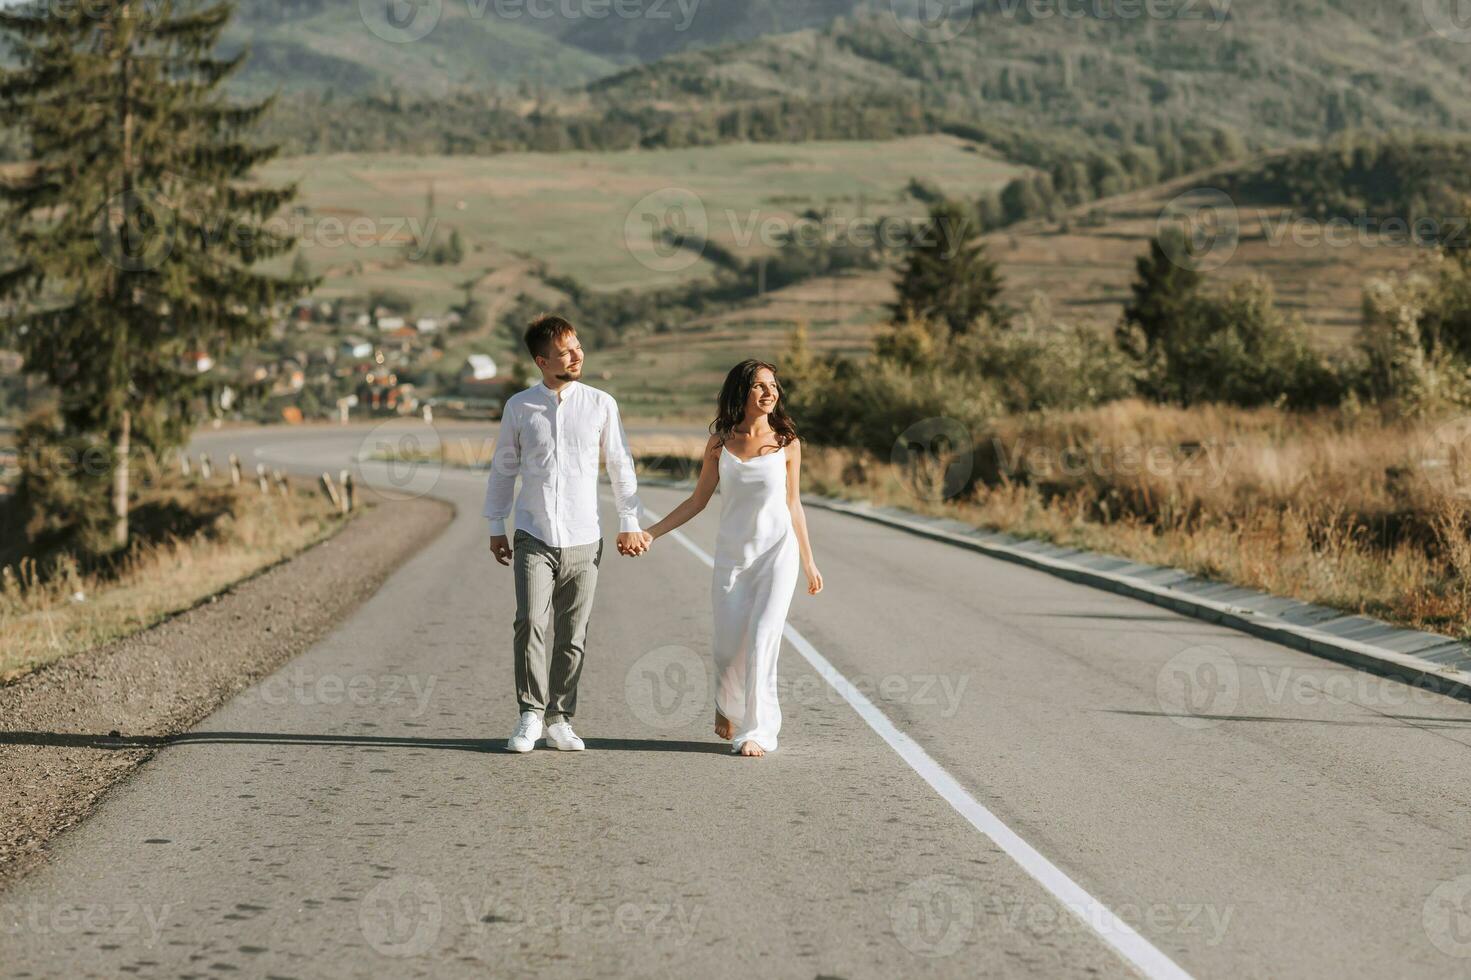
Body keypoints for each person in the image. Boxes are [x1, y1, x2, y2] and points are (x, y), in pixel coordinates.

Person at [484, 314, 652, 753]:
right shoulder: (520, 407)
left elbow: (620, 465)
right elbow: (504, 468)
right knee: (530, 622)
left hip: (584, 537)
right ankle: (530, 714)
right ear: (542, 360)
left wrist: (629, 521)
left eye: (578, 346)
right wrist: (495, 525)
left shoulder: (601, 404)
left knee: (573, 633)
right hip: (532, 534)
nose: (577, 355)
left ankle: (560, 718)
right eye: (565, 351)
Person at [645, 359, 823, 756]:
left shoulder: (787, 441)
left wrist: (808, 562)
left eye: (773, 386)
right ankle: (727, 704)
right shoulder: (719, 443)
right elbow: (697, 501)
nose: (769, 392)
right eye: (760, 386)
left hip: (778, 554)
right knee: (727, 646)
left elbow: (794, 504)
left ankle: (757, 730)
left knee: (763, 639)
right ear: (741, 392)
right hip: (732, 558)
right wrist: (651, 532)